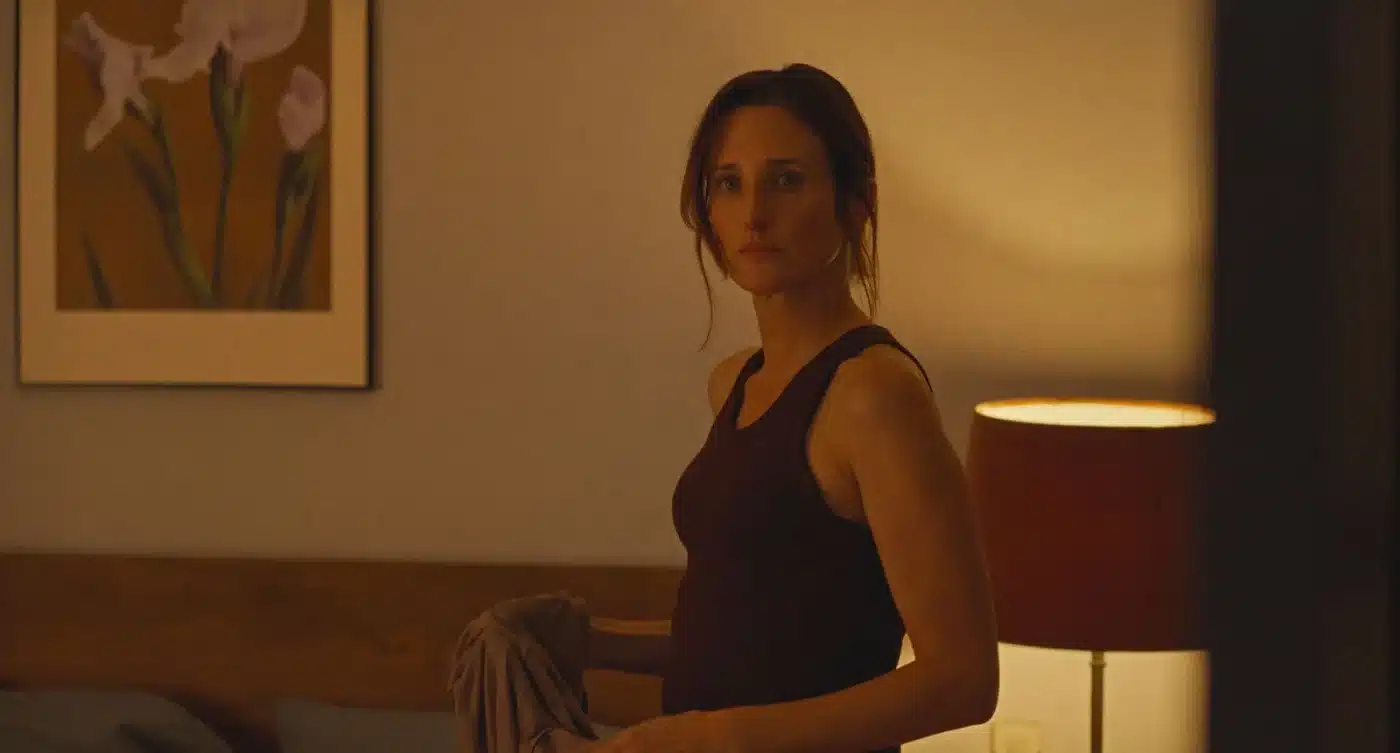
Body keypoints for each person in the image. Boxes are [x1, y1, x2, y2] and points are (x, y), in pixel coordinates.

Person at [587, 63, 1000, 753]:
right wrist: (586, 639)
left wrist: (713, 738)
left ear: (855, 202)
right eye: (729, 183)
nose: (754, 214)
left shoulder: (873, 394)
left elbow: (963, 679)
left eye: (786, 180)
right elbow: (750, 633)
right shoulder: (734, 383)